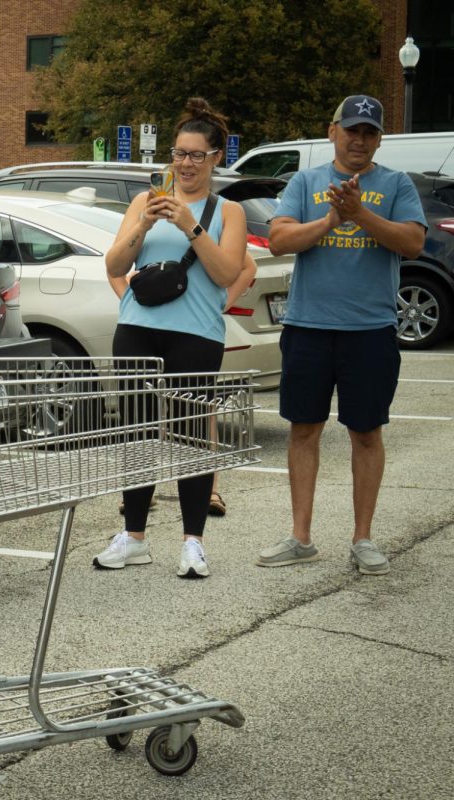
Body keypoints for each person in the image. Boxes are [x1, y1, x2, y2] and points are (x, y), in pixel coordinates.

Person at [255, 94, 425, 576]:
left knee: (366, 433)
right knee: (303, 428)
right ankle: (300, 537)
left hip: (370, 330)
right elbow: (279, 239)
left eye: (369, 132)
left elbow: (412, 242)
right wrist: (331, 219)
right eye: (351, 130)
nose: (359, 139)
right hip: (308, 327)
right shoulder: (306, 182)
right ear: (333, 132)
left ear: (379, 139)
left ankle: (363, 539)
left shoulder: (395, 184)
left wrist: (360, 215)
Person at [95, 97, 248, 579]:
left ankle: (192, 542)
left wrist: (191, 225)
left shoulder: (228, 211)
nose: (184, 164)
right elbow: (115, 266)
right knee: (137, 431)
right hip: (139, 330)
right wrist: (143, 224)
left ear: (216, 157)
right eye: (178, 154)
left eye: (196, 155)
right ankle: (134, 536)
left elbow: (226, 273)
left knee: (188, 436)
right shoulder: (144, 201)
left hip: (196, 334)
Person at [109, 251, 257, 518]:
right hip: (146, 330)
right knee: (142, 417)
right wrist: (127, 301)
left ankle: (209, 488)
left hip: (196, 332)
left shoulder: (209, 220)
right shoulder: (147, 222)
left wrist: (221, 303)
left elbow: (247, 266)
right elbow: (113, 266)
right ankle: (140, 491)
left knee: (197, 413)